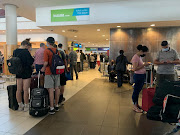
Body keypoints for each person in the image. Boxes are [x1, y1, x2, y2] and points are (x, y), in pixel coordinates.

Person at [41, 37, 61, 115]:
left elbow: (46, 62)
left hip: (49, 72)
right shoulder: (57, 50)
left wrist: (43, 68)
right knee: (57, 88)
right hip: (57, 71)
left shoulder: (46, 51)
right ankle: (56, 105)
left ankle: (51, 108)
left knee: (50, 89)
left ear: (48, 42)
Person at [13, 39, 34, 111]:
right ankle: (26, 105)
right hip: (26, 72)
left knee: (18, 90)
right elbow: (31, 61)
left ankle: (20, 105)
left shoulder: (15, 51)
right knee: (25, 90)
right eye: (28, 47)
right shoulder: (26, 52)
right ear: (26, 45)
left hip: (18, 72)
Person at [131, 45, 150, 113]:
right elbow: (135, 68)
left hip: (141, 75)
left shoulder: (139, 57)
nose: (145, 54)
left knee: (138, 90)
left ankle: (136, 105)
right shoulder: (135, 57)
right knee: (136, 91)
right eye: (145, 53)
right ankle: (134, 106)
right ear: (141, 51)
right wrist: (144, 65)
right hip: (138, 76)